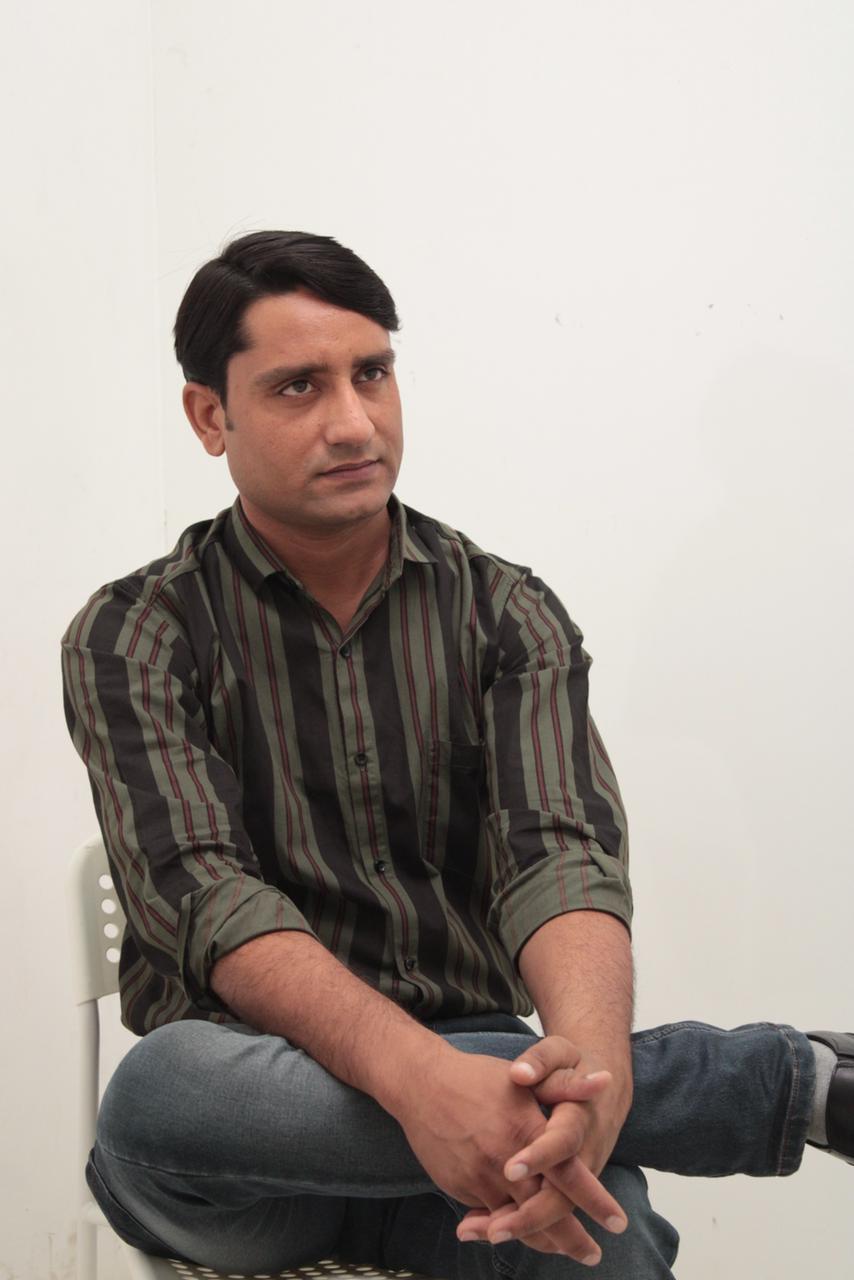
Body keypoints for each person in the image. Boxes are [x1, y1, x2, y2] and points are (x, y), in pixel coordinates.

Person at [61, 231, 853, 1279]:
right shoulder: (136, 633)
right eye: (298, 386)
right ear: (211, 416)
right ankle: (783, 1086)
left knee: (602, 1232)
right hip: (249, 1160)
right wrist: (423, 1083)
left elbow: (557, 857)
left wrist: (583, 1073)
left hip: (480, 1143)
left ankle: (565, 1105)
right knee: (162, 1094)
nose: (354, 421)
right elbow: (210, 898)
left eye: (371, 373)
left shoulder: (505, 613)